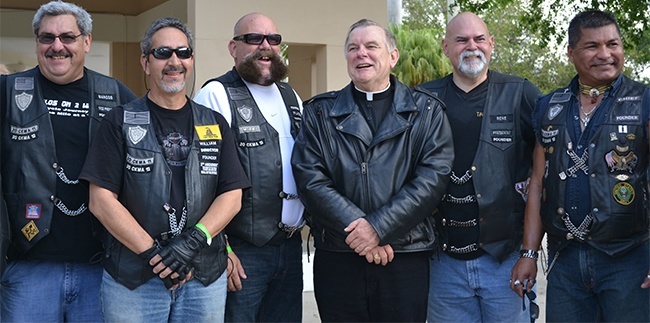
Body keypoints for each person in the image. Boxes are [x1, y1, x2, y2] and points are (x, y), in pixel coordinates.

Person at [79, 17, 250, 321]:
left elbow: (232, 195)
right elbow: (101, 201)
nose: (174, 61)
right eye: (163, 53)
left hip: (203, 277)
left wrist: (193, 242)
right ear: (146, 63)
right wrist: (155, 255)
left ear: (191, 60)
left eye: (183, 53)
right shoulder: (118, 121)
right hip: (134, 278)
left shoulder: (214, 123)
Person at [291, 18, 454, 322]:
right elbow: (310, 179)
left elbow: (432, 180)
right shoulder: (319, 113)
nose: (360, 53)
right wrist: (363, 232)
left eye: (371, 46)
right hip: (339, 255)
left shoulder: (427, 112)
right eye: (353, 48)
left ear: (393, 57)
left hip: (404, 254)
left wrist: (379, 229)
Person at [0, 1, 136, 321]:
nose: (57, 46)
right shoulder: (7, 92)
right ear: (37, 43)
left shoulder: (117, 96)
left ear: (86, 41)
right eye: (46, 38)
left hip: (100, 268)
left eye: (68, 37)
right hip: (27, 268)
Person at [511, 10, 650, 322]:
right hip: (566, 261)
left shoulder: (644, 100)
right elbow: (537, 182)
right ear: (571, 53)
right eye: (592, 46)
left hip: (629, 258)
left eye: (613, 44)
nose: (605, 54)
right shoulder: (549, 106)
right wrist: (529, 253)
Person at [418, 12, 541, 322]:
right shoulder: (423, 99)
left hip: (505, 260)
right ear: (446, 47)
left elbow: (546, 166)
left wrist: (529, 253)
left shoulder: (521, 93)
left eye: (479, 39)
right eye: (461, 40)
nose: (471, 47)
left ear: (491, 44)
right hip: (442, 263)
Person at [193, 12, 304, 322]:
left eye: (273, 39)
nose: (265, 46)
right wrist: (221, 249)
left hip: (290, 246)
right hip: (242, 252)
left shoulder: (291, 97)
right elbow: (198, 183)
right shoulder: (215, 95)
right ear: (233, 47)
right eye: (254, 39)